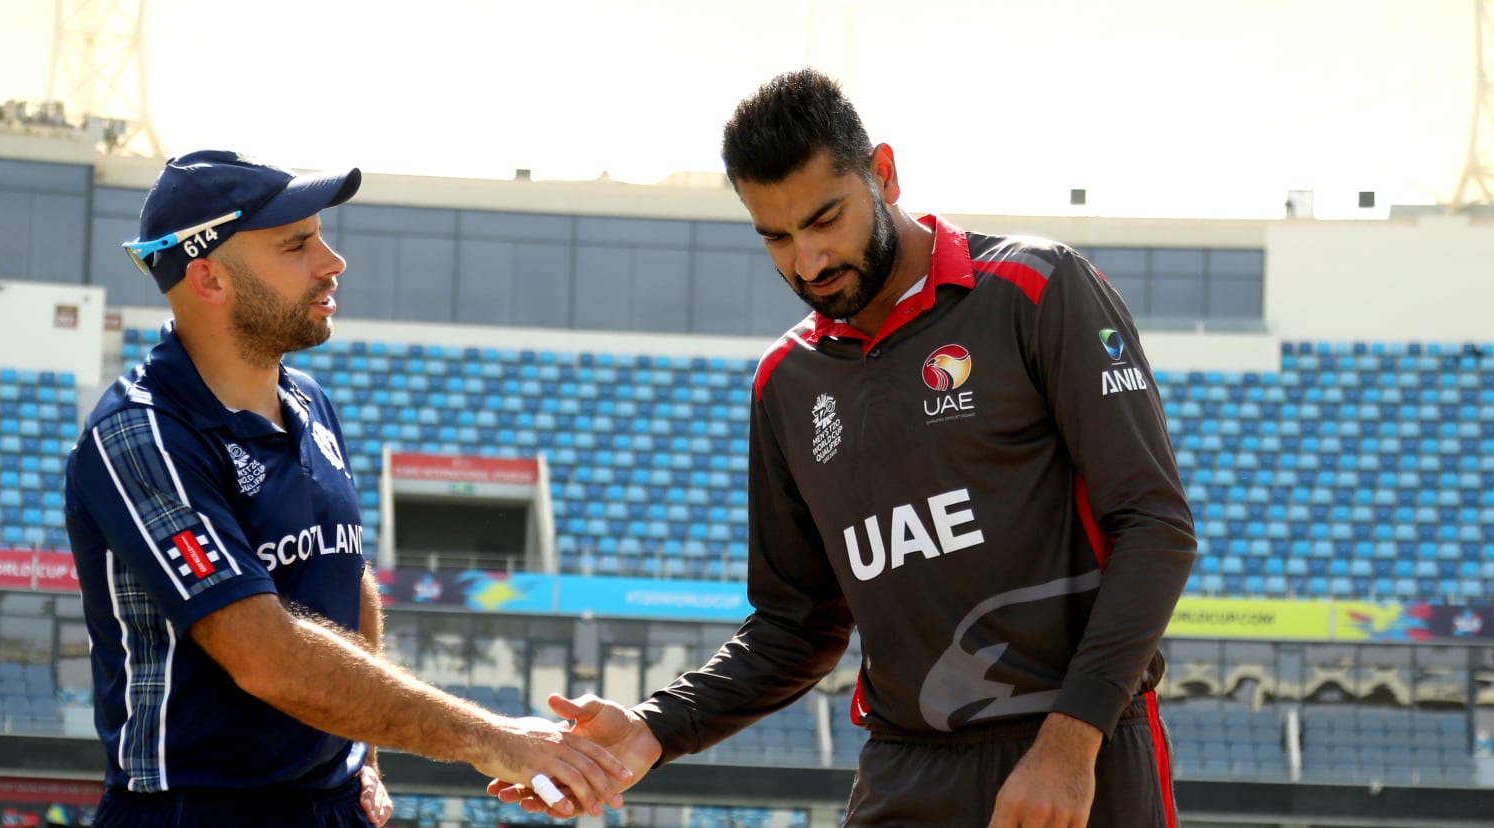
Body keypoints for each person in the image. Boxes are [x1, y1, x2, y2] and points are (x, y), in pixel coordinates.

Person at [492, 70, 1197, 827]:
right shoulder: (784, 383)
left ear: (884, 174)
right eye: (777, 237)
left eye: (826, 220)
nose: (808, 263)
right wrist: (655, 725)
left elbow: (1155, 526)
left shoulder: (1036, 288)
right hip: (907, 767)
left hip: (1080, 752)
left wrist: (1070, 742)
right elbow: (797, 625)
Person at [63, 150, 630, 828]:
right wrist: (494, 739)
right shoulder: (140, 434)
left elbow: (342, 571)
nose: (333, 261)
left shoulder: (308, 401)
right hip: (196, 810)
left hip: (334, 805)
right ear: (208, 278)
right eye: (298, 245)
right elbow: (265, 657)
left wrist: (363, 753)